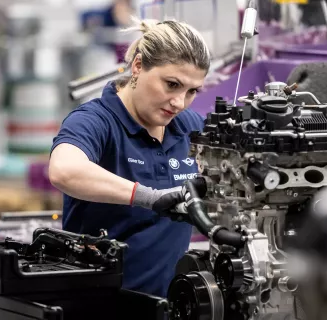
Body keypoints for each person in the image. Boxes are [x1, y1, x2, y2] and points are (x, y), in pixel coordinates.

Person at [48, 17, 211, 297]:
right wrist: (150, 197)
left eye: (192, 91)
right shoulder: (96, 121)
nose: (179, 102)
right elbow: (64, 170)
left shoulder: (189, 126)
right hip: (100, 306)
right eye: (172, 84)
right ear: (138, 66)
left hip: (171, 304)